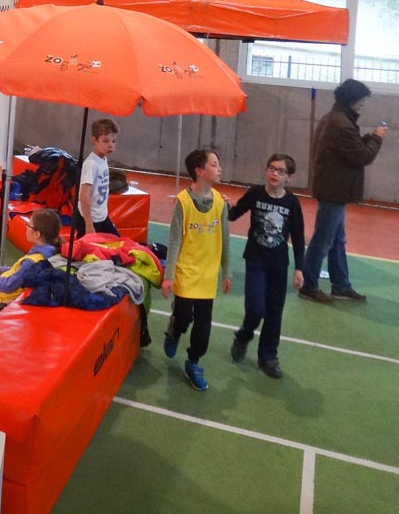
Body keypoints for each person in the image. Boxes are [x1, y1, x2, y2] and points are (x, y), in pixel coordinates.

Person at [300, 78, 387, 304]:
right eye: (362, 100)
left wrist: (367, 139)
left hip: (332, 188)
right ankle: (309, 285)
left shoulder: (333, 119)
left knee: (336, 240)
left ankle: (341, 284)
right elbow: (363, 156)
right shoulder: (342, 124)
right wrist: (376, 138)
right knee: (323, 240)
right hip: (334, 190)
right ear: (352, 100)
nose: (363, 105)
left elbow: (350, 150)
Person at [228, 154, 305, 379]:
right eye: (271, 168)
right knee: (255, 309)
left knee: (274, 313)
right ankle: (244, 335)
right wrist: (222, 205)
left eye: (280, 171)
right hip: (256, 260)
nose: (274, 173)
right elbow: (233, 215)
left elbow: (298, 237)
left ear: (289, 177)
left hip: (279, 265)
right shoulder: (255, 193)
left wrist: (299, 268)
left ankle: (268, 356)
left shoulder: (292, 203)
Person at [162, 148, 231, 392]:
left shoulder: (221, 203)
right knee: (183, 316)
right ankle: (174, 330)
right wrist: (169, 276)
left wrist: (226, 271)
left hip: (208, 275)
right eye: (214, 164)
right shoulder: (183, 202)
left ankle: (193, 362)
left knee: (203, 328)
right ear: (200, 171)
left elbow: (225, 239)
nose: (219, 169)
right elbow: (174, 241)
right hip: (186, 272)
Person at [76, 117, 120, 237]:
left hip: (101, 216)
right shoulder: (91, 164)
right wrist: (89, 224)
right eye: (105, 141)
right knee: (87, 247)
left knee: (116, 241)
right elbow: (84, 195)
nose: (110, 145)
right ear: (94, 141)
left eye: (114, 141)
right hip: (90, 219)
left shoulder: (102, 159)